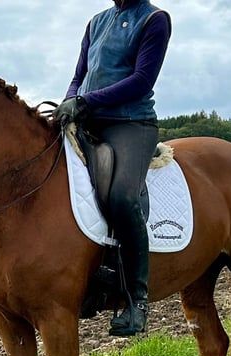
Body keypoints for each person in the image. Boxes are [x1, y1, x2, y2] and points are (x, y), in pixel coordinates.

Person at [55, 0, 171, 337]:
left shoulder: (154, 20)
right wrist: (70, 102)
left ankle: (137, 299)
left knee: (122, 197)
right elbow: (79, 77)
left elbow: (140, 80)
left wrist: (86, 101)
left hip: (131, 124)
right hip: (89, 120)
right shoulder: (96, 23)